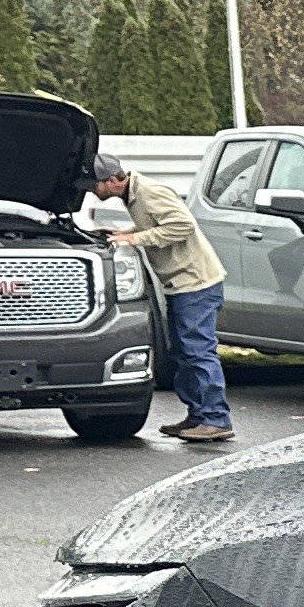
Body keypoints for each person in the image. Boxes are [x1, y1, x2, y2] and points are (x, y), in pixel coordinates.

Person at [92, 147, 232, 442]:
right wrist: (121, 232)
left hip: (196, 283)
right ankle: (198, 416)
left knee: (198, 351)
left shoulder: (150, 191)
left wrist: (134, 238)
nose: (93, 192)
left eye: (95, 185)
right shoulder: (133, 195)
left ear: (111, 180)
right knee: (182, 352)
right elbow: (155, 225)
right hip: (181, 284)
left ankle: (216, 419)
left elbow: (183, 225)